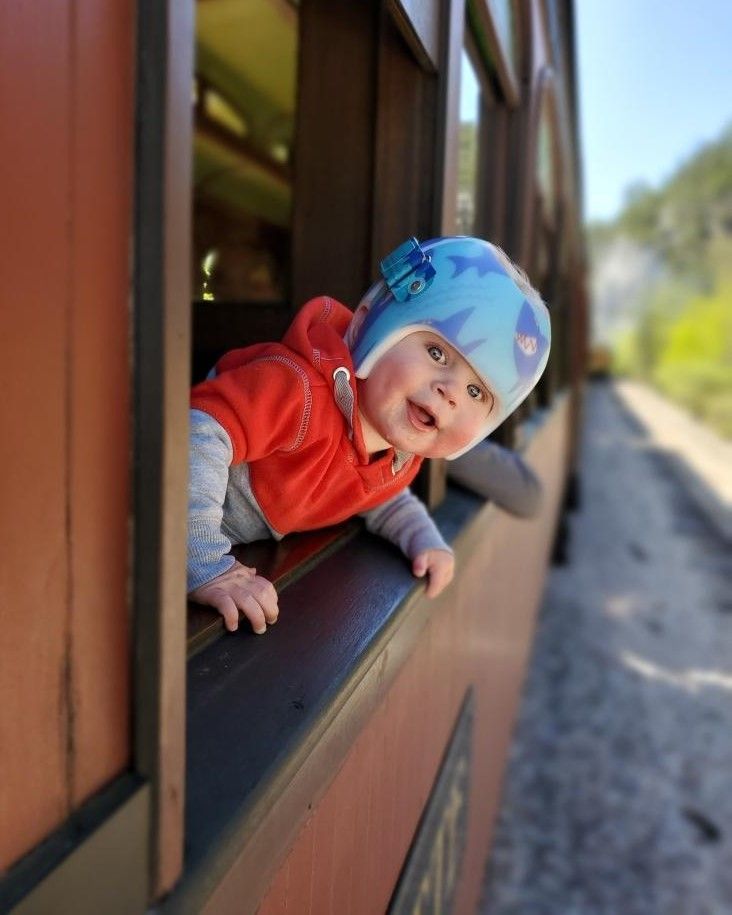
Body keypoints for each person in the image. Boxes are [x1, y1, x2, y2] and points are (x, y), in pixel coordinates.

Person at [188, 236, 551, 634]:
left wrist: (424, 539)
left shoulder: (396, 454)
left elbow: (379, 496)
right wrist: (204, 562)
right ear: (367, 327)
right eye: (436, 353)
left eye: (476, 391)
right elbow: (196, 433)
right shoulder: (299, 390)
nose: (449, 391)